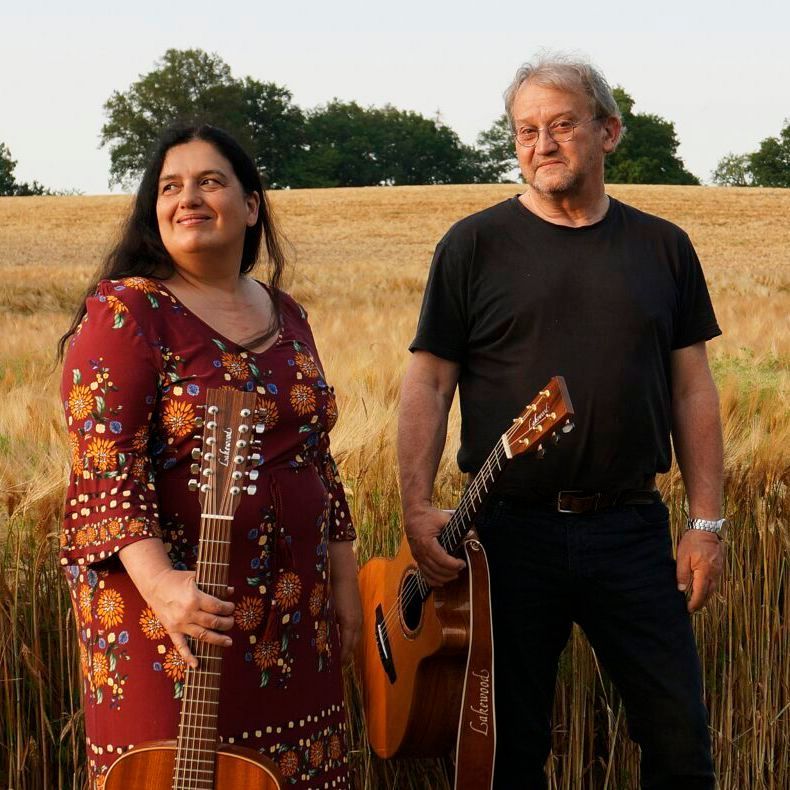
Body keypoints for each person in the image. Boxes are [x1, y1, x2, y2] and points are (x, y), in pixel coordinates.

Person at [398, 54, 724, 789]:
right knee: (508, 751)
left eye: (561, 125)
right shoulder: (472, 245)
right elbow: (429, 378)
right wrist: (416, 505)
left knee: (678, 741)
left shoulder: (662, 246)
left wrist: (706, 524)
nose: (541, 144)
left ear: (609, 132)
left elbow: (692, 389)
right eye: (525, 131)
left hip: (631, 527)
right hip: (506, 537)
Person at [58, 124, 361, 789]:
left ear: (251, 205)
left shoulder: (289, 314)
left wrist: (343, 580)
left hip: (294, 619)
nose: (187, 198)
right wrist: (165, 586)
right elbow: (105, 468)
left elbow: (318, 458)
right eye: (170, 187)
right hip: (173, 623)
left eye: (209, 182)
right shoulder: (128, 314)